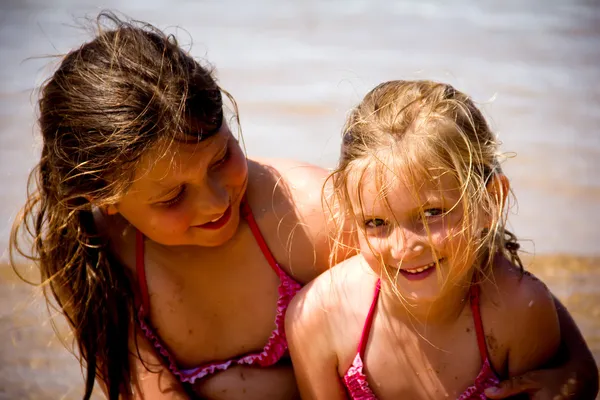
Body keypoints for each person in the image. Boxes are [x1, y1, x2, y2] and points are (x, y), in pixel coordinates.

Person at [10, 13, 598, 400]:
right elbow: (141, 385)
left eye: (221, 159)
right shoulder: (88, 251)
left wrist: (576, 367)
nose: (215, 202)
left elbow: (471, 275)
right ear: (105, 202)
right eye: (170, 197)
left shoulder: (310, 217)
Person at [286, 80, 599, 400]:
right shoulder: (318, 319)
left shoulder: (517, 313)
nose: (404, 248)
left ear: (489, 202)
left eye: (432, 213)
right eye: (376, 222)